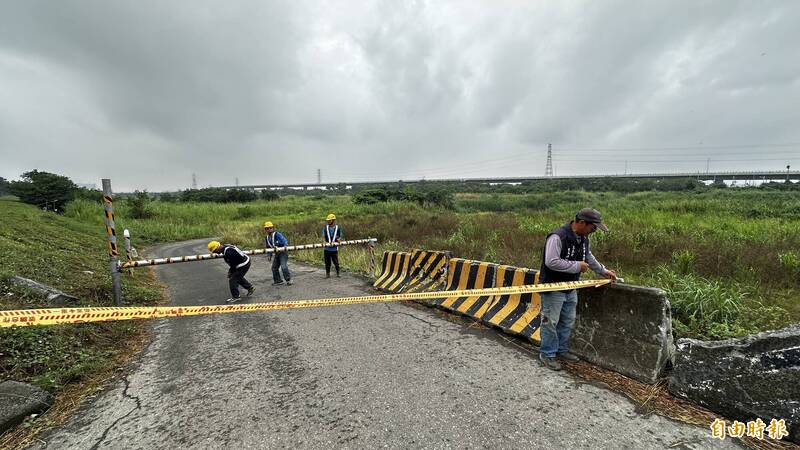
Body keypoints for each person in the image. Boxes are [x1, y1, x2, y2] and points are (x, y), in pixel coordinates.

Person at [537, 208, 617, 371]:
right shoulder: (558, 237)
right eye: (593, 227)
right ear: (582, 223)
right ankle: (547, 354)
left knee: (567, 321)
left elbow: (588, 257)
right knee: (550, 322)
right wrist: (576, 266)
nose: (594, 231)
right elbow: (551, 261)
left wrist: (603, 270)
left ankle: (561, 350)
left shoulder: (583, 238)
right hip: (553, 287)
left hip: (571, 287)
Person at [264, 221, 292, 285]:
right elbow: (268, 247)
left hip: (283, 252)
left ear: (273, 228)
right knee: (274, 267)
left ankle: (288, 280)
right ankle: (278, 281)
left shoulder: (277, 234)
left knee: (283, 266)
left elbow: (284, 241)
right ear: (265, 230)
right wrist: (269, 255)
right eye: (267, 228)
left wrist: (285, 246)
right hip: (277, 254)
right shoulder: (267, 238)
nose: (269, 229)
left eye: (270, 228)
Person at [322, 213, 343, 278]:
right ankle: (327, 274)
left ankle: (338, 273)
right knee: (327, 263)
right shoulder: (325, 228)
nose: (328, 221)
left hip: (334, 249)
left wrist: (339, 239)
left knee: (336, 262)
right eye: (328, 220)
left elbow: (340, 235)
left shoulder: (338, 228)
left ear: (333, 220)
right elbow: (323, 236)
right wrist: (324, 241)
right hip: (327, 249)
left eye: (329, 220)